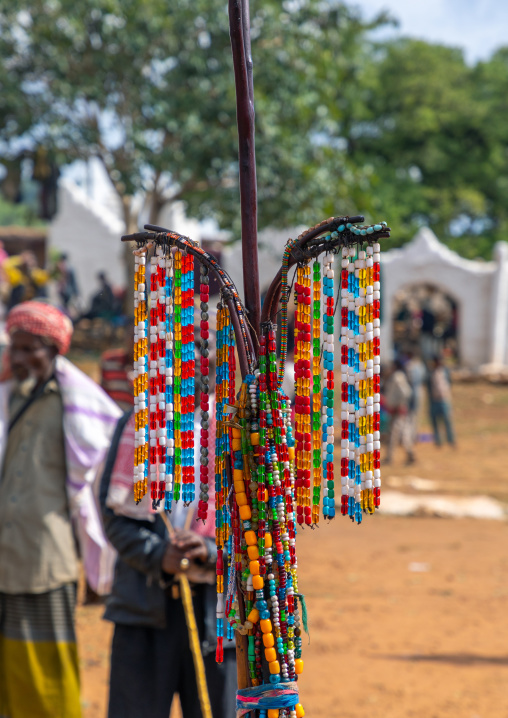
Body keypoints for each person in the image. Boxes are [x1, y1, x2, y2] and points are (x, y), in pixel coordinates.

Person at [0, 301, 122, 718]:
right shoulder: (7, 398)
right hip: (4, 555)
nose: (19, 358)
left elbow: (105, 474)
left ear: (54, 350)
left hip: (46, 560)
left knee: (48, 670)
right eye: (14, 348)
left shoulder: (74, 404)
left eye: (30, 348)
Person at [100, 409, 237, 718]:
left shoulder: (240, 423)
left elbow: (265, 526)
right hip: (142, 608)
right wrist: (159, 556)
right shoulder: (138, 421)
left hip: (219, 620)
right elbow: (112, 512)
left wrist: (211, 551)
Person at [100, 319, 135, 411]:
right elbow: (102, 395)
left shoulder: (155, 367)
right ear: (125, 337)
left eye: (141, 337)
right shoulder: (109, 361)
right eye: (133, 336)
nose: (136, 341)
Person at [384, 359, 414, 464]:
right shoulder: (395, 376)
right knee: (397, 433)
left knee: (398, 434)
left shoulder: (398, 376)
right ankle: (392, 456)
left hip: (398, 410)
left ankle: (391, 457)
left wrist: (401, 405)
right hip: (395, 409)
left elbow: (405, 392)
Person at [427, 355, 455, 446]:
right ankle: (438, 441)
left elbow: (449, 384)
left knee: (447, 421)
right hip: (434, 400)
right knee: (435, 421)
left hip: (444, 399)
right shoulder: (431, 373)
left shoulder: (445, 372)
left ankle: (451, 440)